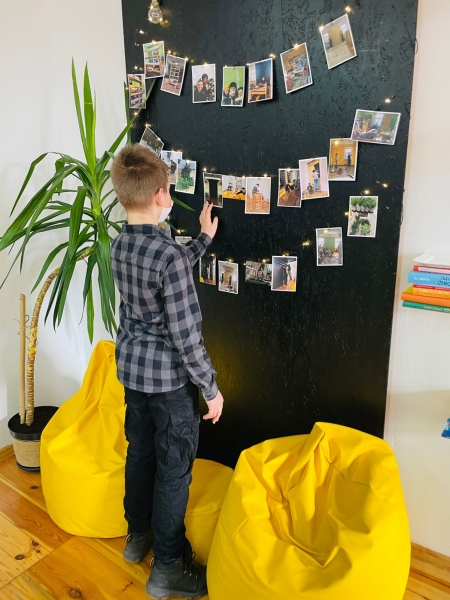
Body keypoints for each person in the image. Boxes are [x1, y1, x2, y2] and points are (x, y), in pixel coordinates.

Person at [110, 144, 223, 600]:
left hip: (133, 376)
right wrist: (211, 391)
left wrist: (203, 240)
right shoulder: (169, 258)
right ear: (160, 195)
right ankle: (169, 567)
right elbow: (187, 336)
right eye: (170, 190)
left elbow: (161, 272)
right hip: (171, 386)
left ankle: (137, 539)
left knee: (140, 456)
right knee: (174, 471)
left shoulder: (121, 244)